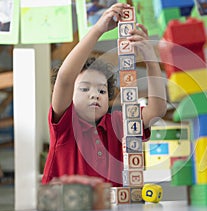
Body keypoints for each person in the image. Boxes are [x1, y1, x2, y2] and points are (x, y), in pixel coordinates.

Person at [42, 3, 167, 187]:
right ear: (70, 94)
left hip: (109, 210)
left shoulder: (116, 123)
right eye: (85, 89)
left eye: (101, 90)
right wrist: (98, 30)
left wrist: (151, 60)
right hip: (62, 210)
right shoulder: (65, 125)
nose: (95, 95)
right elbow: (65, 78)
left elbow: (156, 110)